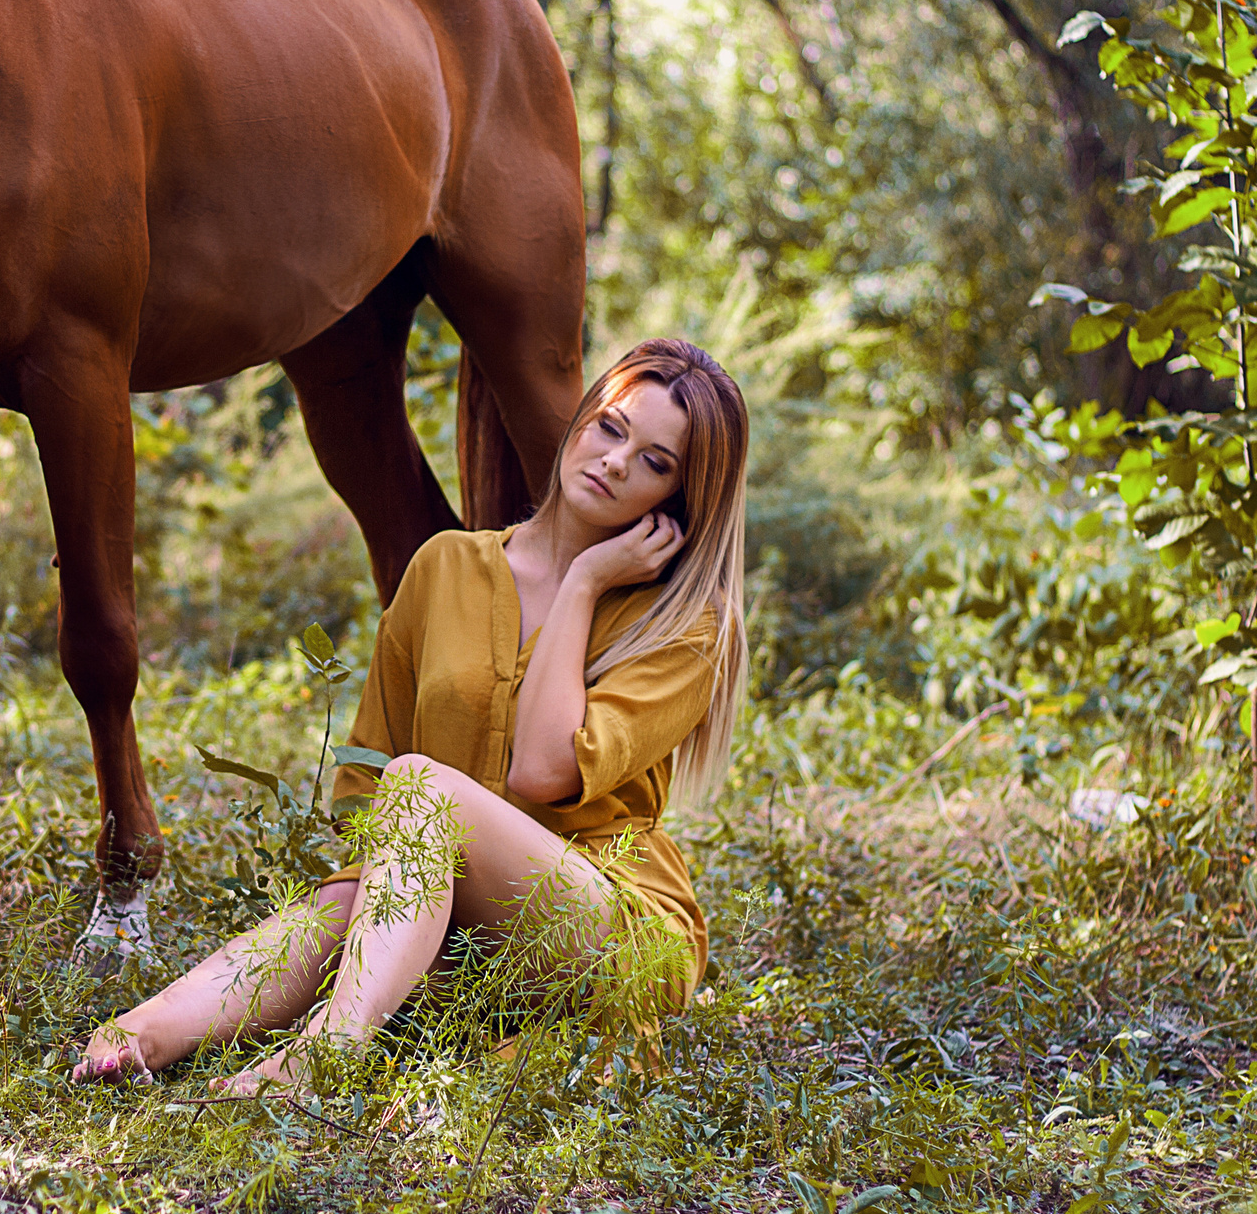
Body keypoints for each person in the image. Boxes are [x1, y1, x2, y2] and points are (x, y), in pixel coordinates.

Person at [74, 337, 750, 1093]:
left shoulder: (685, 624)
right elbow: (368, 788)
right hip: (438, 911)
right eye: (611, 426)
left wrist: (586, 581)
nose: (618, 461)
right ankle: (142, 1034)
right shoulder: (446, 567)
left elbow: (541, 769)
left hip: (602, 926)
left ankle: (327, 1052)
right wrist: (341, 919)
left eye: (657, 462)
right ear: (582, 419)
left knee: (423, 790)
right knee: (357, 885)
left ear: (680, 501)